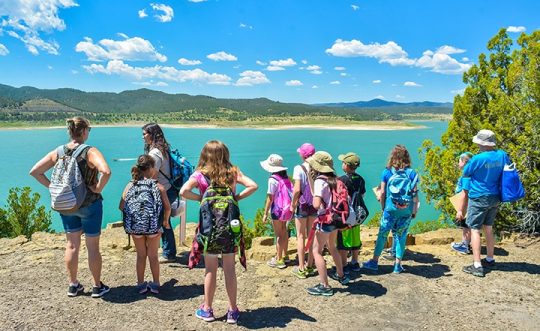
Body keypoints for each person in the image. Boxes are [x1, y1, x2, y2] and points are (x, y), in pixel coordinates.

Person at [29, 116, 111, 298]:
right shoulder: (89, 151)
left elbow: (35, 171)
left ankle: (73, 285)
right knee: (92, 247)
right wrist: (97, 188)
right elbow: (106, 171)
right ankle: (97, 286)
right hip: (89, 204)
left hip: (66, 205)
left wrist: (54, 188)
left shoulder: (59, 152)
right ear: (83, 132)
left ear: (70, 131)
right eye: (89, 129)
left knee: (71, 245)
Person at [180, 140, 258, 324]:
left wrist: (201, 198)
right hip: (229, 230)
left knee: (210, 270)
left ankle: (207, 309)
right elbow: (253, 186)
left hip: (209, 231)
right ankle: (232, 311)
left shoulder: (200, 174)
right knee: (230, 269)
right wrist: (235, 197)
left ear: (204, 155)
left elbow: (183, 191)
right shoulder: (232, 172)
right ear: (225, 154)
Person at [362, 145, 419, 274]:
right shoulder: (412, 173)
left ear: (392, 157)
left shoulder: (387, 172)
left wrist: (383, 208)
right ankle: (398, 265)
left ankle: (374, 262)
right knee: (401, 236)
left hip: (390, 210)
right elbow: (415, 195)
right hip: (406, 211)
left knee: (382, 234)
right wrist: (414, 210)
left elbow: (382, 193)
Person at [119, 155, 171, 294]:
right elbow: (167, 207)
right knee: (153, 256)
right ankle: (155, 284)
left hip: (136, 228)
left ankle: (141, 284)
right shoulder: (158, 186)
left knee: (141, 255)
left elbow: (121, 206)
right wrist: (165, 222)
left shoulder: (130, 185)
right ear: (151, 168)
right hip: (154, 227)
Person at [458, 130, 506, 277]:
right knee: (489, 228)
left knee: (474, 229)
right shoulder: (502, 155)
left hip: (479, 196)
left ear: (480, 143)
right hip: (495, 196)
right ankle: (490, 259)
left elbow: (465, 172)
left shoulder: (477, 159)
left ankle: (477, 265)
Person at [305, 151, 350, 296]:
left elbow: (316, 204)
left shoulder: (320, 181)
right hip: (336, 220)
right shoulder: (335, 179)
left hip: (325, 221)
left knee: (316, 251)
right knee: (333, 247)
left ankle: (325, 285)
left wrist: (315, 199)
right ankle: (341, 275)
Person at [142, 123, 177, 263]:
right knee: (164, 220)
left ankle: (169, 253)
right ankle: (167, 249)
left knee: (164, 221)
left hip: (164, 190)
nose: (143, 137)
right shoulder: (163, 149)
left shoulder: (154, 153)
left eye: (145, 134)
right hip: (170, 188)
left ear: (152, 134)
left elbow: (153, 174)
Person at [290, 143, 317, 279]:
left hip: (302, 205)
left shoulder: (298, 168)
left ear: (303, 154)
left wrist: (292, 205)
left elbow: (296, 189)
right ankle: (311, 265)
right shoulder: (318, 167)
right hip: (315, 205)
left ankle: (301, 268)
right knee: (312, 235)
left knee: (301, 236)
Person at [260, 154, 292, 269]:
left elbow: (270, 198)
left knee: (278, 234)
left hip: (277, 210)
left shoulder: (272, 179)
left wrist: (265, 213)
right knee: (284, 231)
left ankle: (279, 260)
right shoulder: (285, 178)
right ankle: (285, 255)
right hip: (286, 209)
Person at [337, 152, 366, 273]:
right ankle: (354, 262)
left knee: (342, 240)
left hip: (346, 214)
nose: (342, 164)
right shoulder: (360, 179)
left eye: (343, 162)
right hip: (357, 214)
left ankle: (344, 265)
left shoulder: (341, 180)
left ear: (347, 166)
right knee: (355, 238)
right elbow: (362, 195)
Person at [450, 152, 473, 254]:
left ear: (464, 161)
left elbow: (465, 193)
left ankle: (465, 246)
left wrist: (460, 209)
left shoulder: (466, 174)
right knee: (467, 224)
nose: (458, 163)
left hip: (466, 202)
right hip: (469, 201)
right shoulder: (472, 172)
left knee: (466, 224)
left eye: (459, 160)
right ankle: (466, 243)